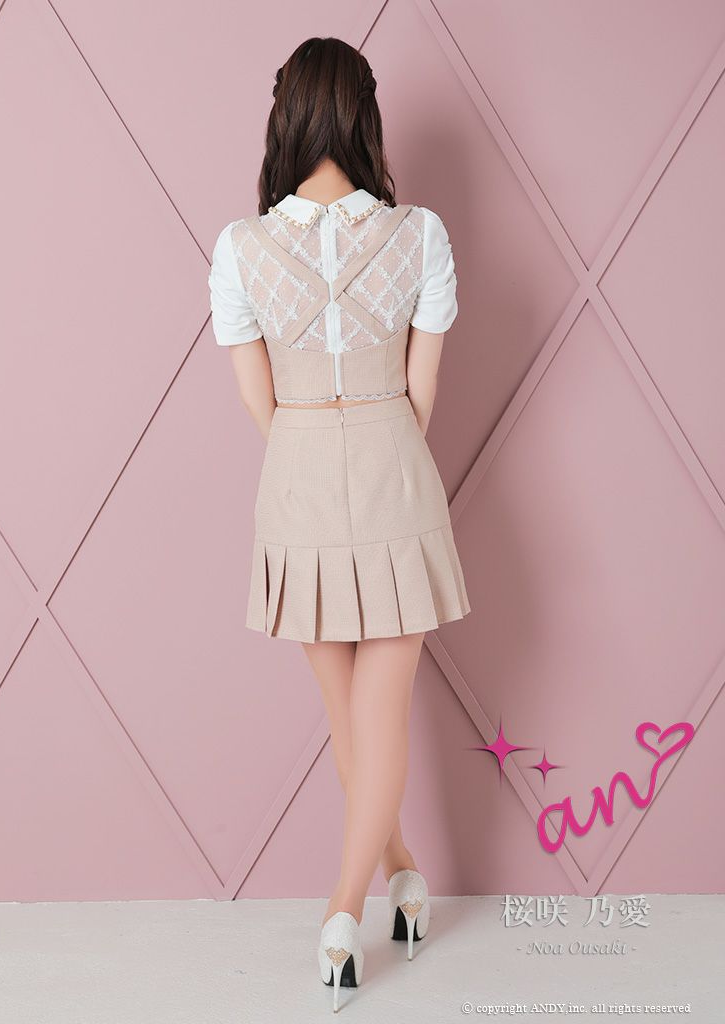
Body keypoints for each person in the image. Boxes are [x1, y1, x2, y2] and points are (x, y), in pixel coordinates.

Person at [208, 36, 471, 1013]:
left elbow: (260, 402)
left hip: (298, 478)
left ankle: (348, 904)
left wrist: (315, 459)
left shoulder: (240, 247)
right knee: (380, 712)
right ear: (365, 116)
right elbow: (421, 392)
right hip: (395, 466)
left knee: (347, 717)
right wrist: (380, 453)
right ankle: (391, 879)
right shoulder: (421, 235)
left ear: (285, 118)